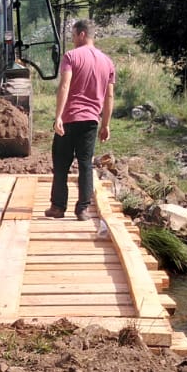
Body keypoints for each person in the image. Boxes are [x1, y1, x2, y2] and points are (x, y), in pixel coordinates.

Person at [47, 18, 115, 221]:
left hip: (70, 118)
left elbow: (65, 85)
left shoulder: (71, 56)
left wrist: (58, 116)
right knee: (86, 164)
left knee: (61, 163)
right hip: (92, 121)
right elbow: (110, 95)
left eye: (74, 36)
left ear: (82, 34)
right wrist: (106, 124)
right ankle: (83, 209)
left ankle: (58, 207)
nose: (73, 40)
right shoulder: (108, 61)